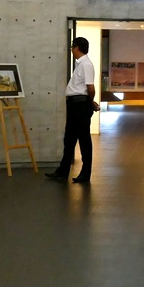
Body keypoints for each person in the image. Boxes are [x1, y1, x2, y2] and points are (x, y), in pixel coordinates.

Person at [46, 36, 97, 183]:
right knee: (69, 139)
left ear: (77, 48)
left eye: (72, 47)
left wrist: (89, 102)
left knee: (84, 140)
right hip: (75, 105)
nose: (71, 50)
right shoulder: (80, 64)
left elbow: (90, 87)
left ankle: (85, 174)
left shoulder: (86, 64)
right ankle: (63, 171)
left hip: (80, 105)